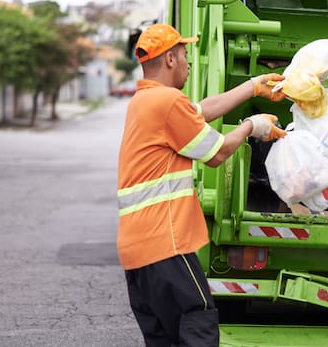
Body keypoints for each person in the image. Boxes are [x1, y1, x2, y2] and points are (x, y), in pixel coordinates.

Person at [117, 23, 286, 346]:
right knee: (199, 321)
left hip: (138, 252)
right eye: (184, 54)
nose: (188, 62)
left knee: (166, 338)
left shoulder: (145, 102)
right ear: (169, 60)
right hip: (164, 243)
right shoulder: (167, 102)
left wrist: (252, 86)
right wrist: (253, 126)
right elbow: (218, 152)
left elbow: (202, 112)